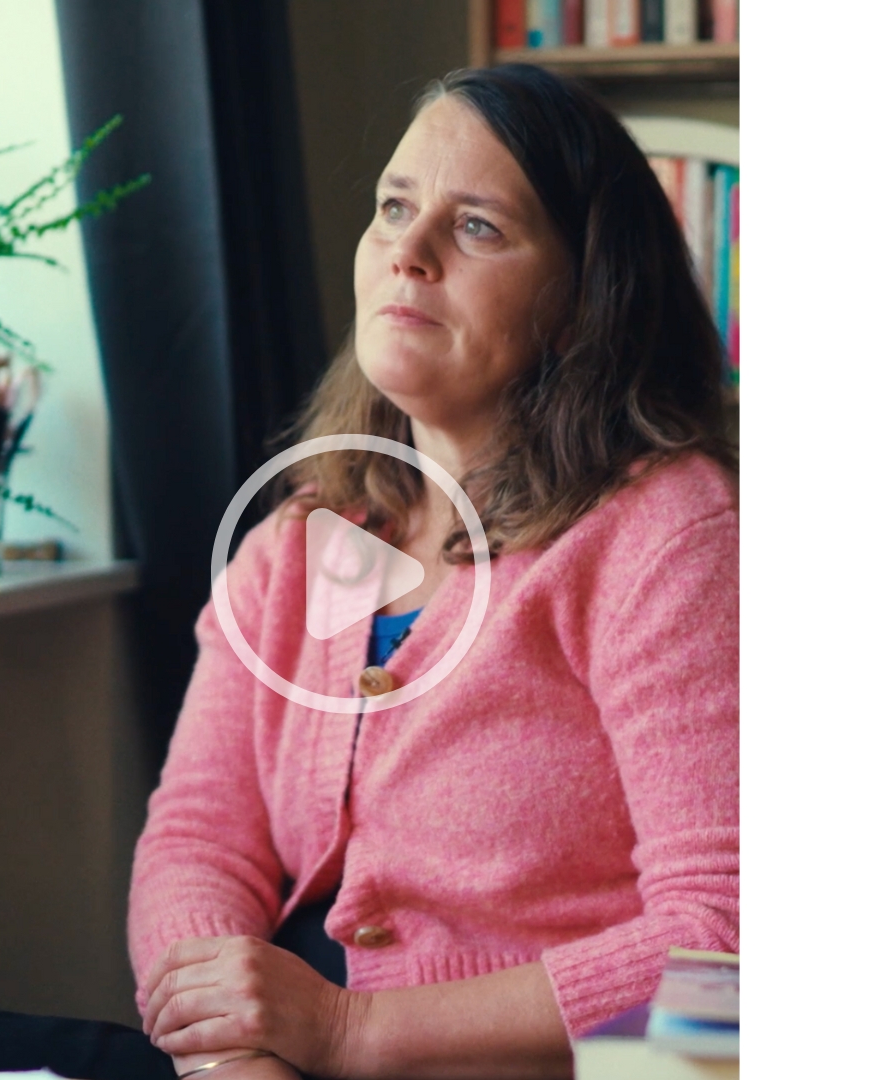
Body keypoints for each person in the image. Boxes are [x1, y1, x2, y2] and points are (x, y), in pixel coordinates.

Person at [130, 63, 738, 1080]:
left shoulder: (667, 536)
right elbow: (198, 841)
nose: (407, 253)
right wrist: (231, 1059)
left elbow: (730, 948)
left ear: (581, 299)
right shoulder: (308, 536)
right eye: (394, 208)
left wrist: (351, 1031)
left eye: (477, 227)